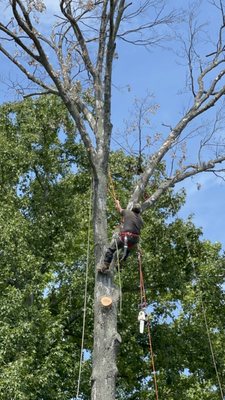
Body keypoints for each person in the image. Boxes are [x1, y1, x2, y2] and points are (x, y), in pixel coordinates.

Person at [98, 199, 144, 272]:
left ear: (132, 209)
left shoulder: (127, 212)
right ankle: (120, 263)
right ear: (139, 211)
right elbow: (134, 225)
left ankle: (105, 266)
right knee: (127, 250)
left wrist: (117, 203)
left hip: (126, 237)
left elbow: (119, 209)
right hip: (135, 240)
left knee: (111, 249)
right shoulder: (141, 219)